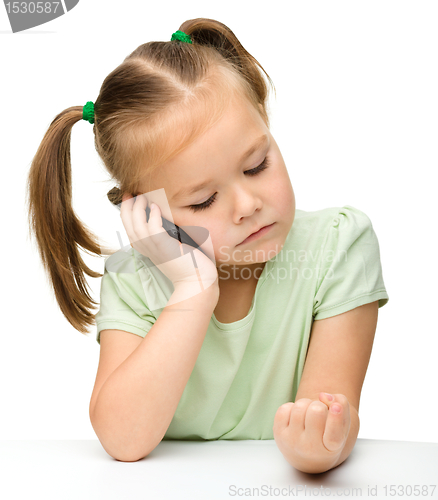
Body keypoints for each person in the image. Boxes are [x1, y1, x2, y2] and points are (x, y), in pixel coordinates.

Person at [25, 19, 389, 472]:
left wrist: (317, 444)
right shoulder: (134, 279)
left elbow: (329, 415)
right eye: (204, 200)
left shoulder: (338, 246)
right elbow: (123, 439)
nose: (247, 205)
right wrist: (192, 292)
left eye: (256, 165)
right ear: (148, 213)